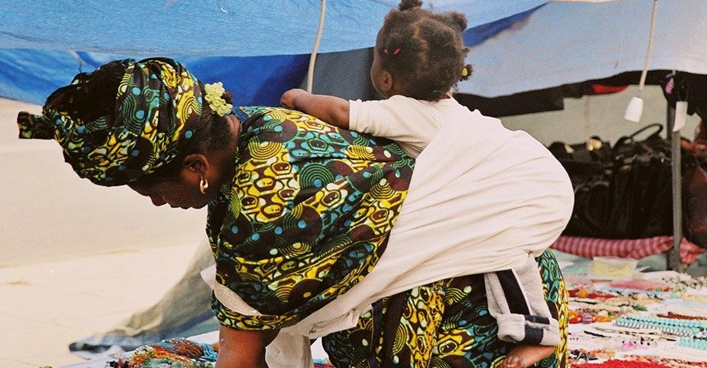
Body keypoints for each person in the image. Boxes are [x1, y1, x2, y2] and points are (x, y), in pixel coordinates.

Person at [18, 57, 572, 368]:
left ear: (194, 166)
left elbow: (241, 356)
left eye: (150, 191)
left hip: (459, 335)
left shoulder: (258, 218)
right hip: (523, 288)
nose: (159, 203)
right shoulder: (261, 123)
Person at [281, 0, 569, 368]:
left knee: (499, 250)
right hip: (537, 183)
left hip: (518, 185)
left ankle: (532, 334)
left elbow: (340, 111)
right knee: (511, 257)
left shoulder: (402, 111)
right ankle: (537, 332)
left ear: (385, 77)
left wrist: (299, 96)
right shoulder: (455, 112)